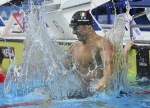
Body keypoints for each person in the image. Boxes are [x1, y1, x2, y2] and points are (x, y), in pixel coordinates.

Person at [61, 11, 114, 92]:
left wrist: (104, 81)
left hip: (98, 94)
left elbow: (109, 66)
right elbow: (61, 70)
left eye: (76, 28)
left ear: (88, 26)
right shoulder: (74, 47)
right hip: (81, 94)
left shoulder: (102, 44)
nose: (73, 32)